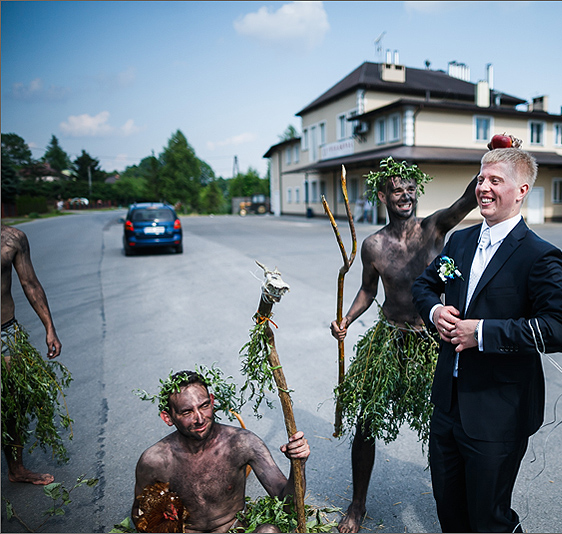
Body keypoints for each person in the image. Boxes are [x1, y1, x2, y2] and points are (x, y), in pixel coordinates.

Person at [412, 148, 562, 532]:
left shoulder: (539, 255)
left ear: (521, 190)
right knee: (449, 511)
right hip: (448, 404)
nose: (483, 188)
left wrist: (481, 332)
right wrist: (436, 312)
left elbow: (559, 328)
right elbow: (424, 285)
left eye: (494, 181)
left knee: (489, 518)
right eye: (481, 179)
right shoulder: (460, 242)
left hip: (498, 411)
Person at [330, 157, 477, 533]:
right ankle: (357, 504)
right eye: (397, 189)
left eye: (411, 189)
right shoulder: (373, 245)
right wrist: (346, 319)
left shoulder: (435, 228)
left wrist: (490, 166)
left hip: (432, 341)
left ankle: (461, 504)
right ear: (382, 195)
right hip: (390, 340)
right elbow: (367, 289)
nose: (406, 195)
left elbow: (466, 200)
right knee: (366, 421)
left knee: (448, 423)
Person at [133, 371, 310, 533]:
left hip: (234, 530)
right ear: (168, 417)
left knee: (268, 532)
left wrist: (298, 464)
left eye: (204, 406)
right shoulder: (154, 461)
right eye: (187, 412)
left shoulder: (242, 443)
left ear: (212, 401)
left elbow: (290, 506)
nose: (200, 418)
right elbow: (141, 517)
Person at [1, 223, 64, 485]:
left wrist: (49, 327)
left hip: (5, 333)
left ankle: (16, 469)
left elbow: (30, 283)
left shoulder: (13, 239)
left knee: (11, 405)